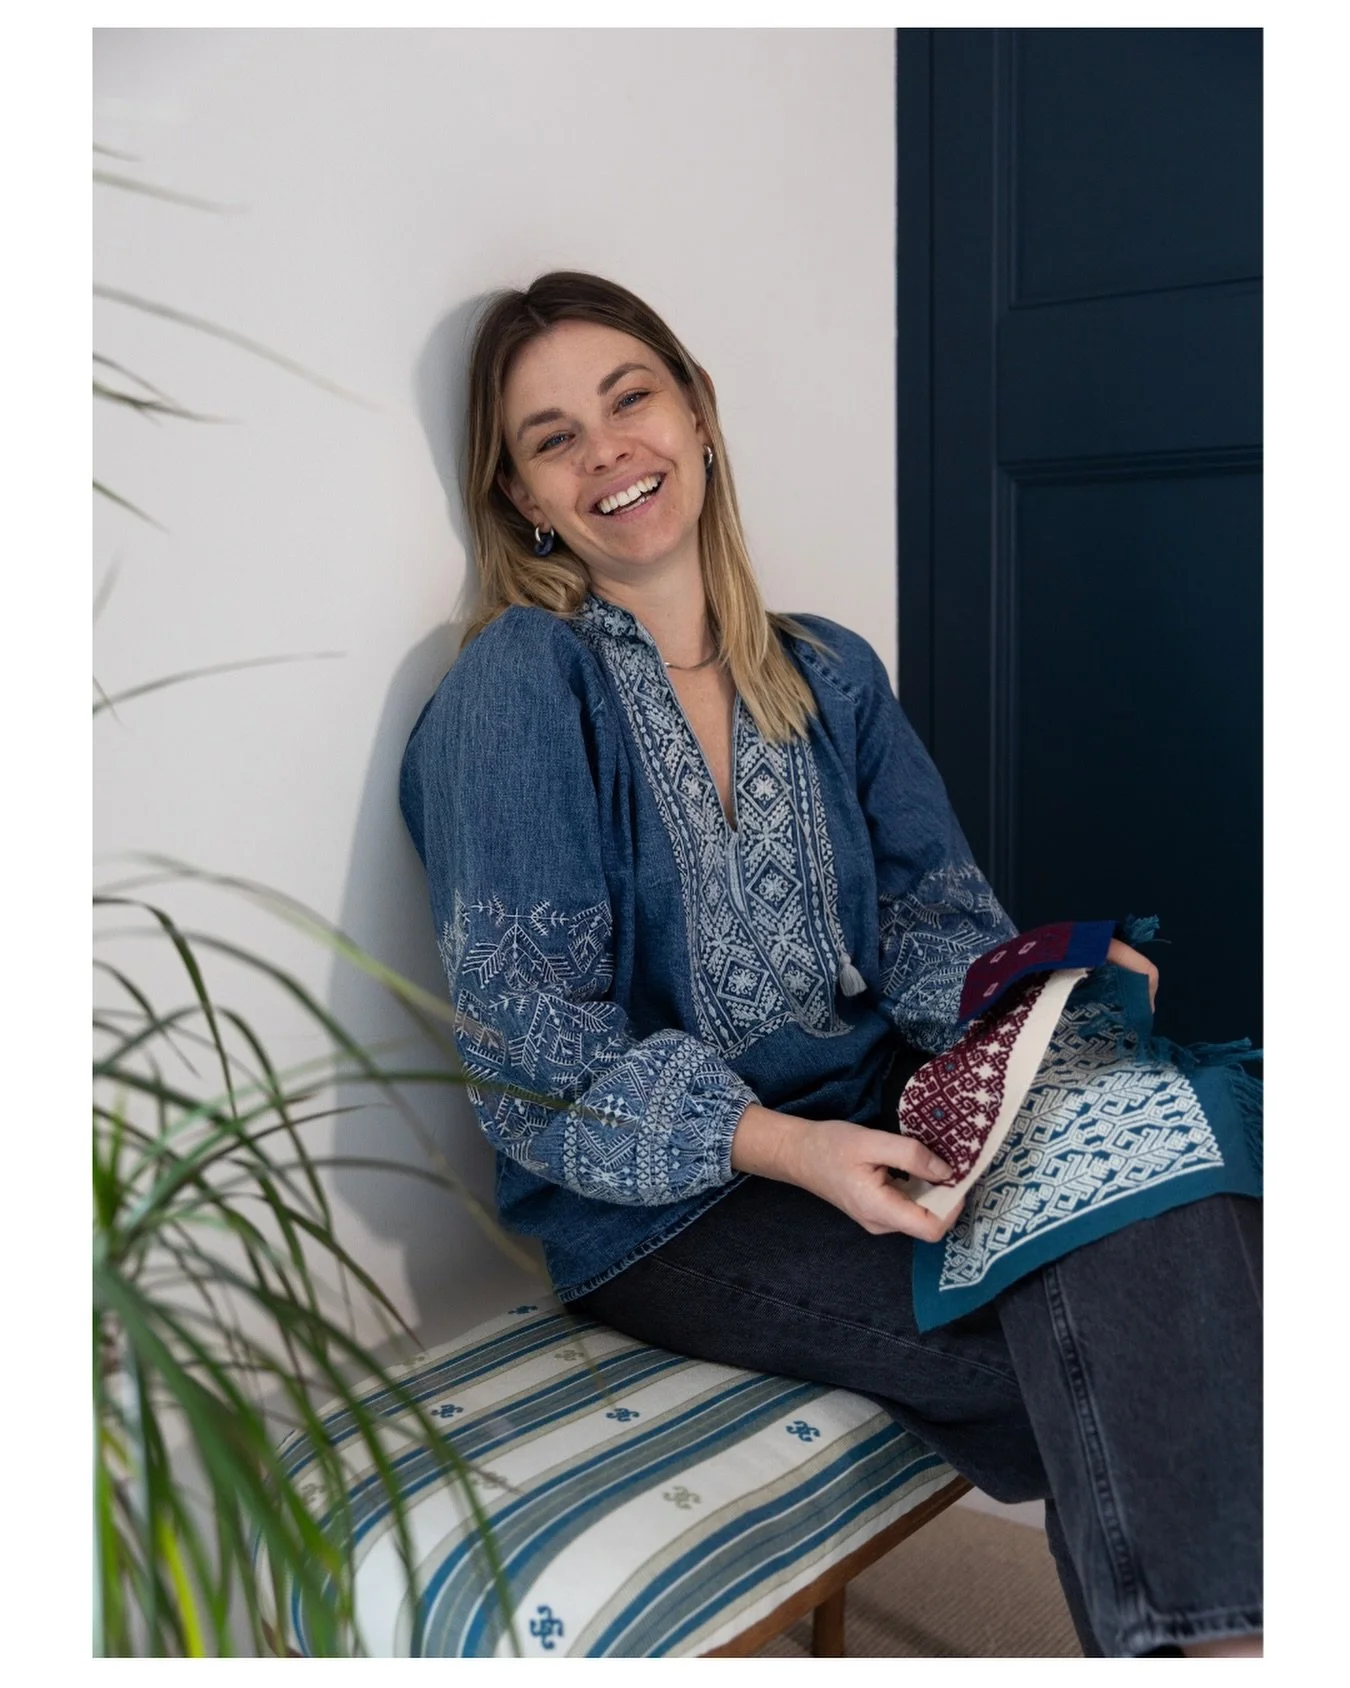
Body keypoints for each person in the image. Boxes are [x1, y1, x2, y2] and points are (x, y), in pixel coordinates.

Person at [399, 272, 1262, 1658]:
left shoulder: (830, 675)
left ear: (696, 415)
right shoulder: (520, 685)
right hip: (677, 1212)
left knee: (1169, 1154)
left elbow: (935, 927)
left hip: (883, 1115)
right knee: (1153, 1319)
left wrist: (1051, 991)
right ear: (522, 499)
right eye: (553, 437)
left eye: (630, 399)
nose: (608, 449)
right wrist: (792, 1152)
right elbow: (529, 1058)